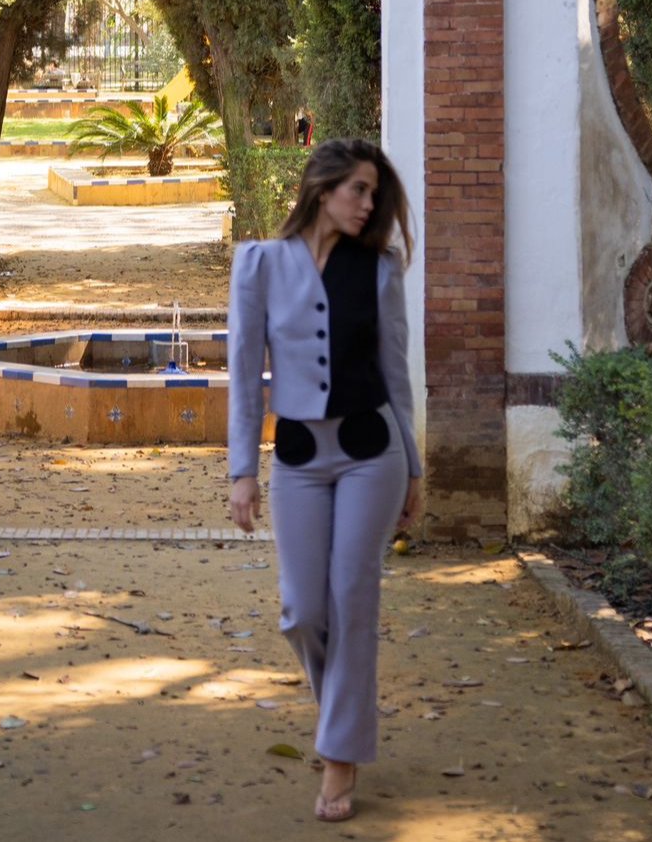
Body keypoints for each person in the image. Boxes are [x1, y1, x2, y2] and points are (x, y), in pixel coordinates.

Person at [227, 138, 424, 823]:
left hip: (376, 453)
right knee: (301, 611)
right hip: (300, 461)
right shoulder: (259, 264)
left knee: (352, 596)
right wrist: (242, 472)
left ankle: (340, 757)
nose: (370, 205)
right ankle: (343, 708)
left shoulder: (379, 269)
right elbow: (245, 375)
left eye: (375, 194)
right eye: (360, 191)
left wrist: (417, 470)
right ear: (322, 189)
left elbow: (396, 373)